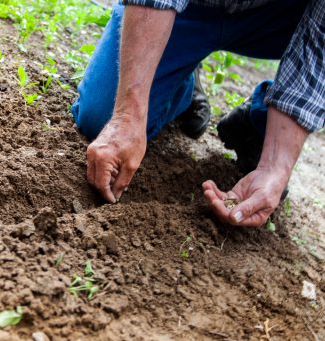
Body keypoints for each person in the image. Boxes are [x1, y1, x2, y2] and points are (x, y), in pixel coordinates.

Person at [71, 0, 324, 227]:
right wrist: (127, 116)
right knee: (100, 117)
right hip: (190, 7)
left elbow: (319, 46)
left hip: (280, 17)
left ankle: (261, 121)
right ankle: (182, 81)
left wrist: (275, 167)